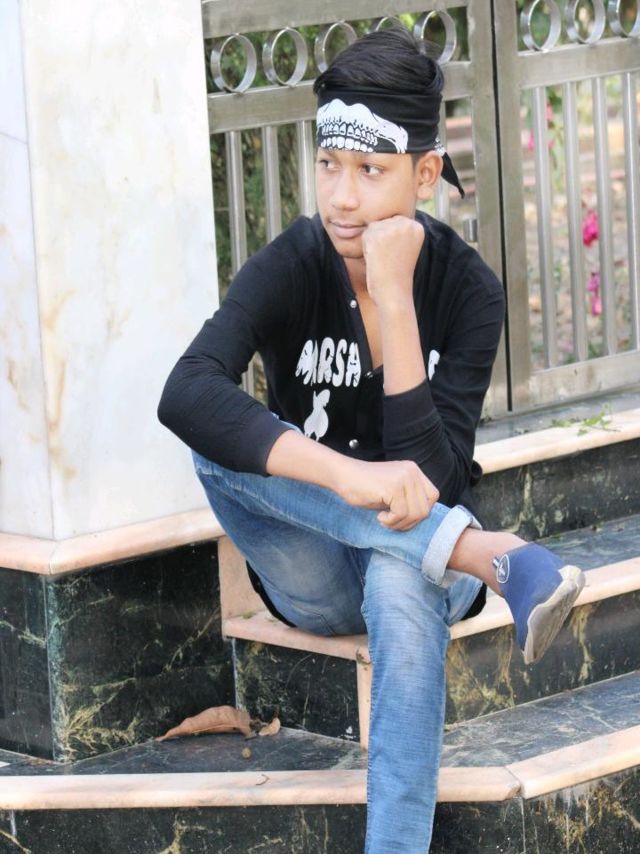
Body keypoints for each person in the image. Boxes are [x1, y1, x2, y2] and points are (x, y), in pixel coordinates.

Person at [158, 27, 584, 853]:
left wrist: (393, 296)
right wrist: (345, 477)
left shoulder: (467, 290)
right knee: (216, 439)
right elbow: (185, 391)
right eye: (329, 164)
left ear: (425, 174)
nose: (342, 198)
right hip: (312, 575)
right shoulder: (292, 263)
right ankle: (492, 557)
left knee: (401, 573)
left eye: (370, 170)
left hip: (417, 569)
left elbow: (431, 482)